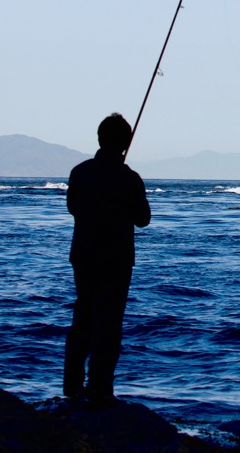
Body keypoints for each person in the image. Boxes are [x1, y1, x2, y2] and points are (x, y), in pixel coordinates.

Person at [63, 113, 151, 406]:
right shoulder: (129, 178)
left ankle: (72, 385)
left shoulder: (79, 172)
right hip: (117, 258)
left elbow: (73, 208)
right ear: (126, 143)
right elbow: (143, 220)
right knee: (109, 322)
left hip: (83, 255)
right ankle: (100, 387)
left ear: (99, 139)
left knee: (83, 315)